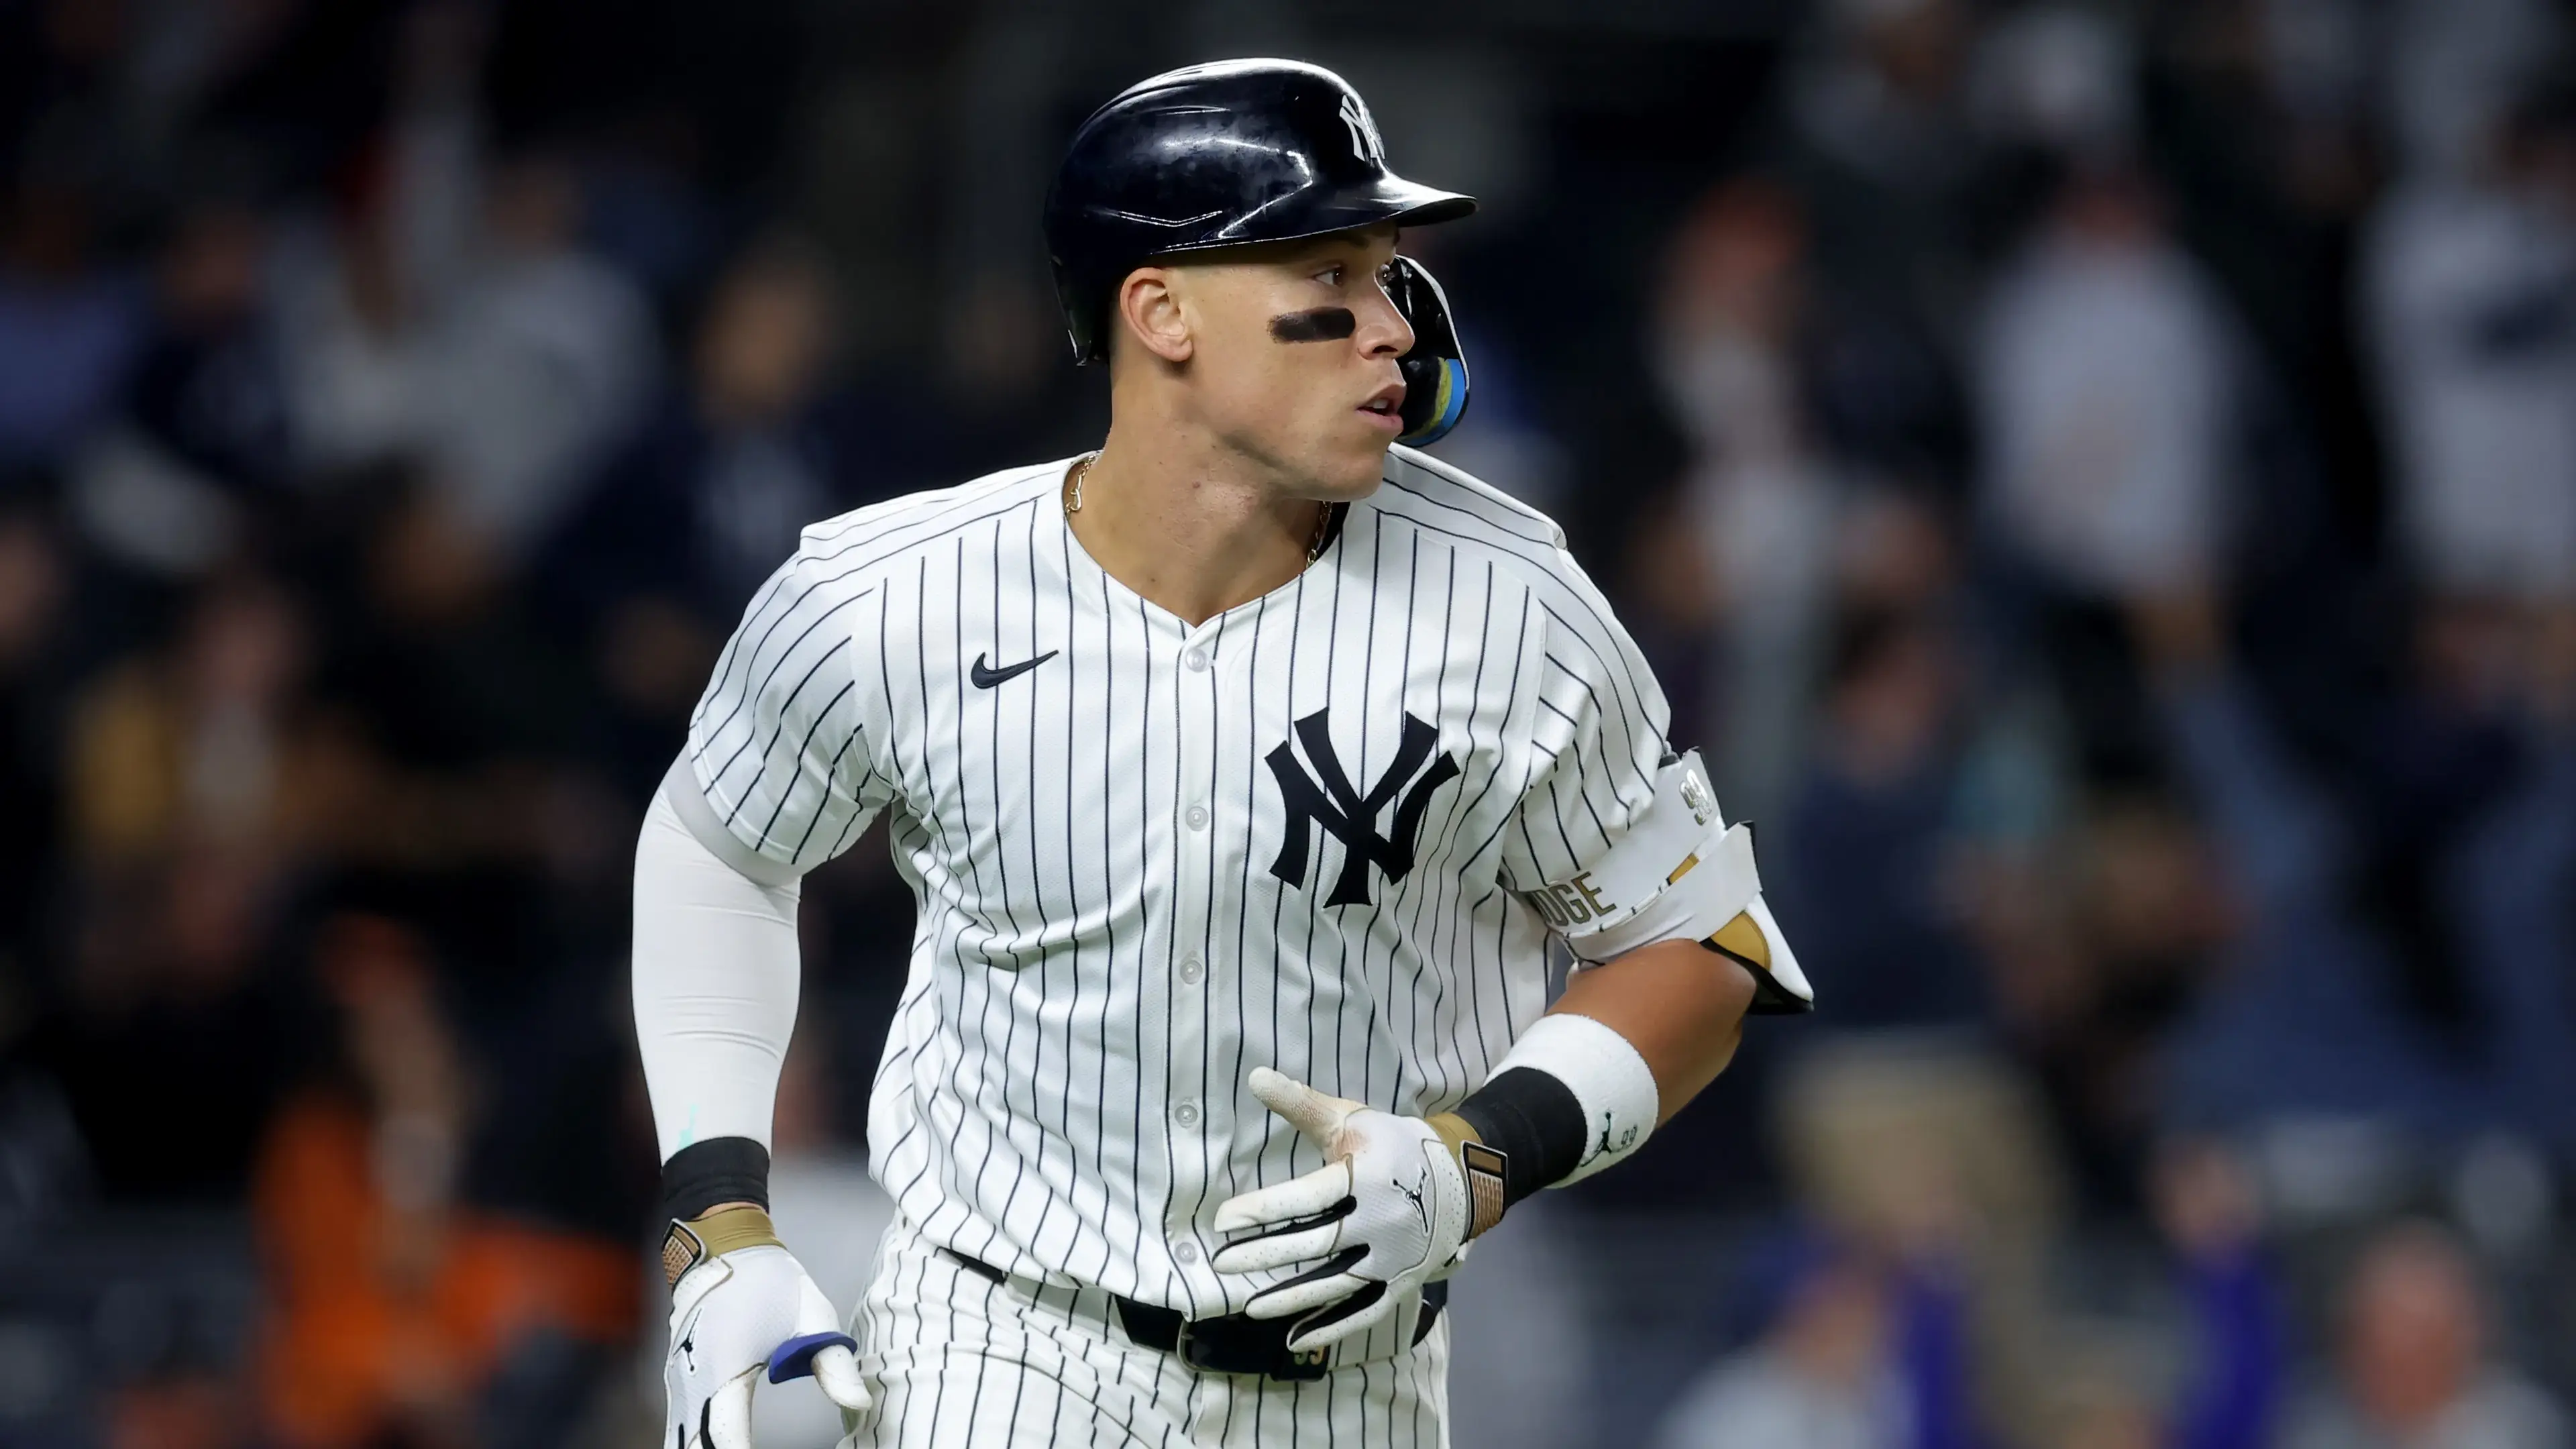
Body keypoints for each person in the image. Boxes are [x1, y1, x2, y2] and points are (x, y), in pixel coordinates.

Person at [629, 59, 1813, 1448]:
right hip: (998, 1349)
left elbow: (1706, 948)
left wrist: (1476, 1157)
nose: (1393, 329)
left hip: (1354, 1388)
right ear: (1162, 309)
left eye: (1392, 274)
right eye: (1333, 271)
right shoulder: (891, 594)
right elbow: (717, 850)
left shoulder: (1513, 607)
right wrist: (718, 1224)